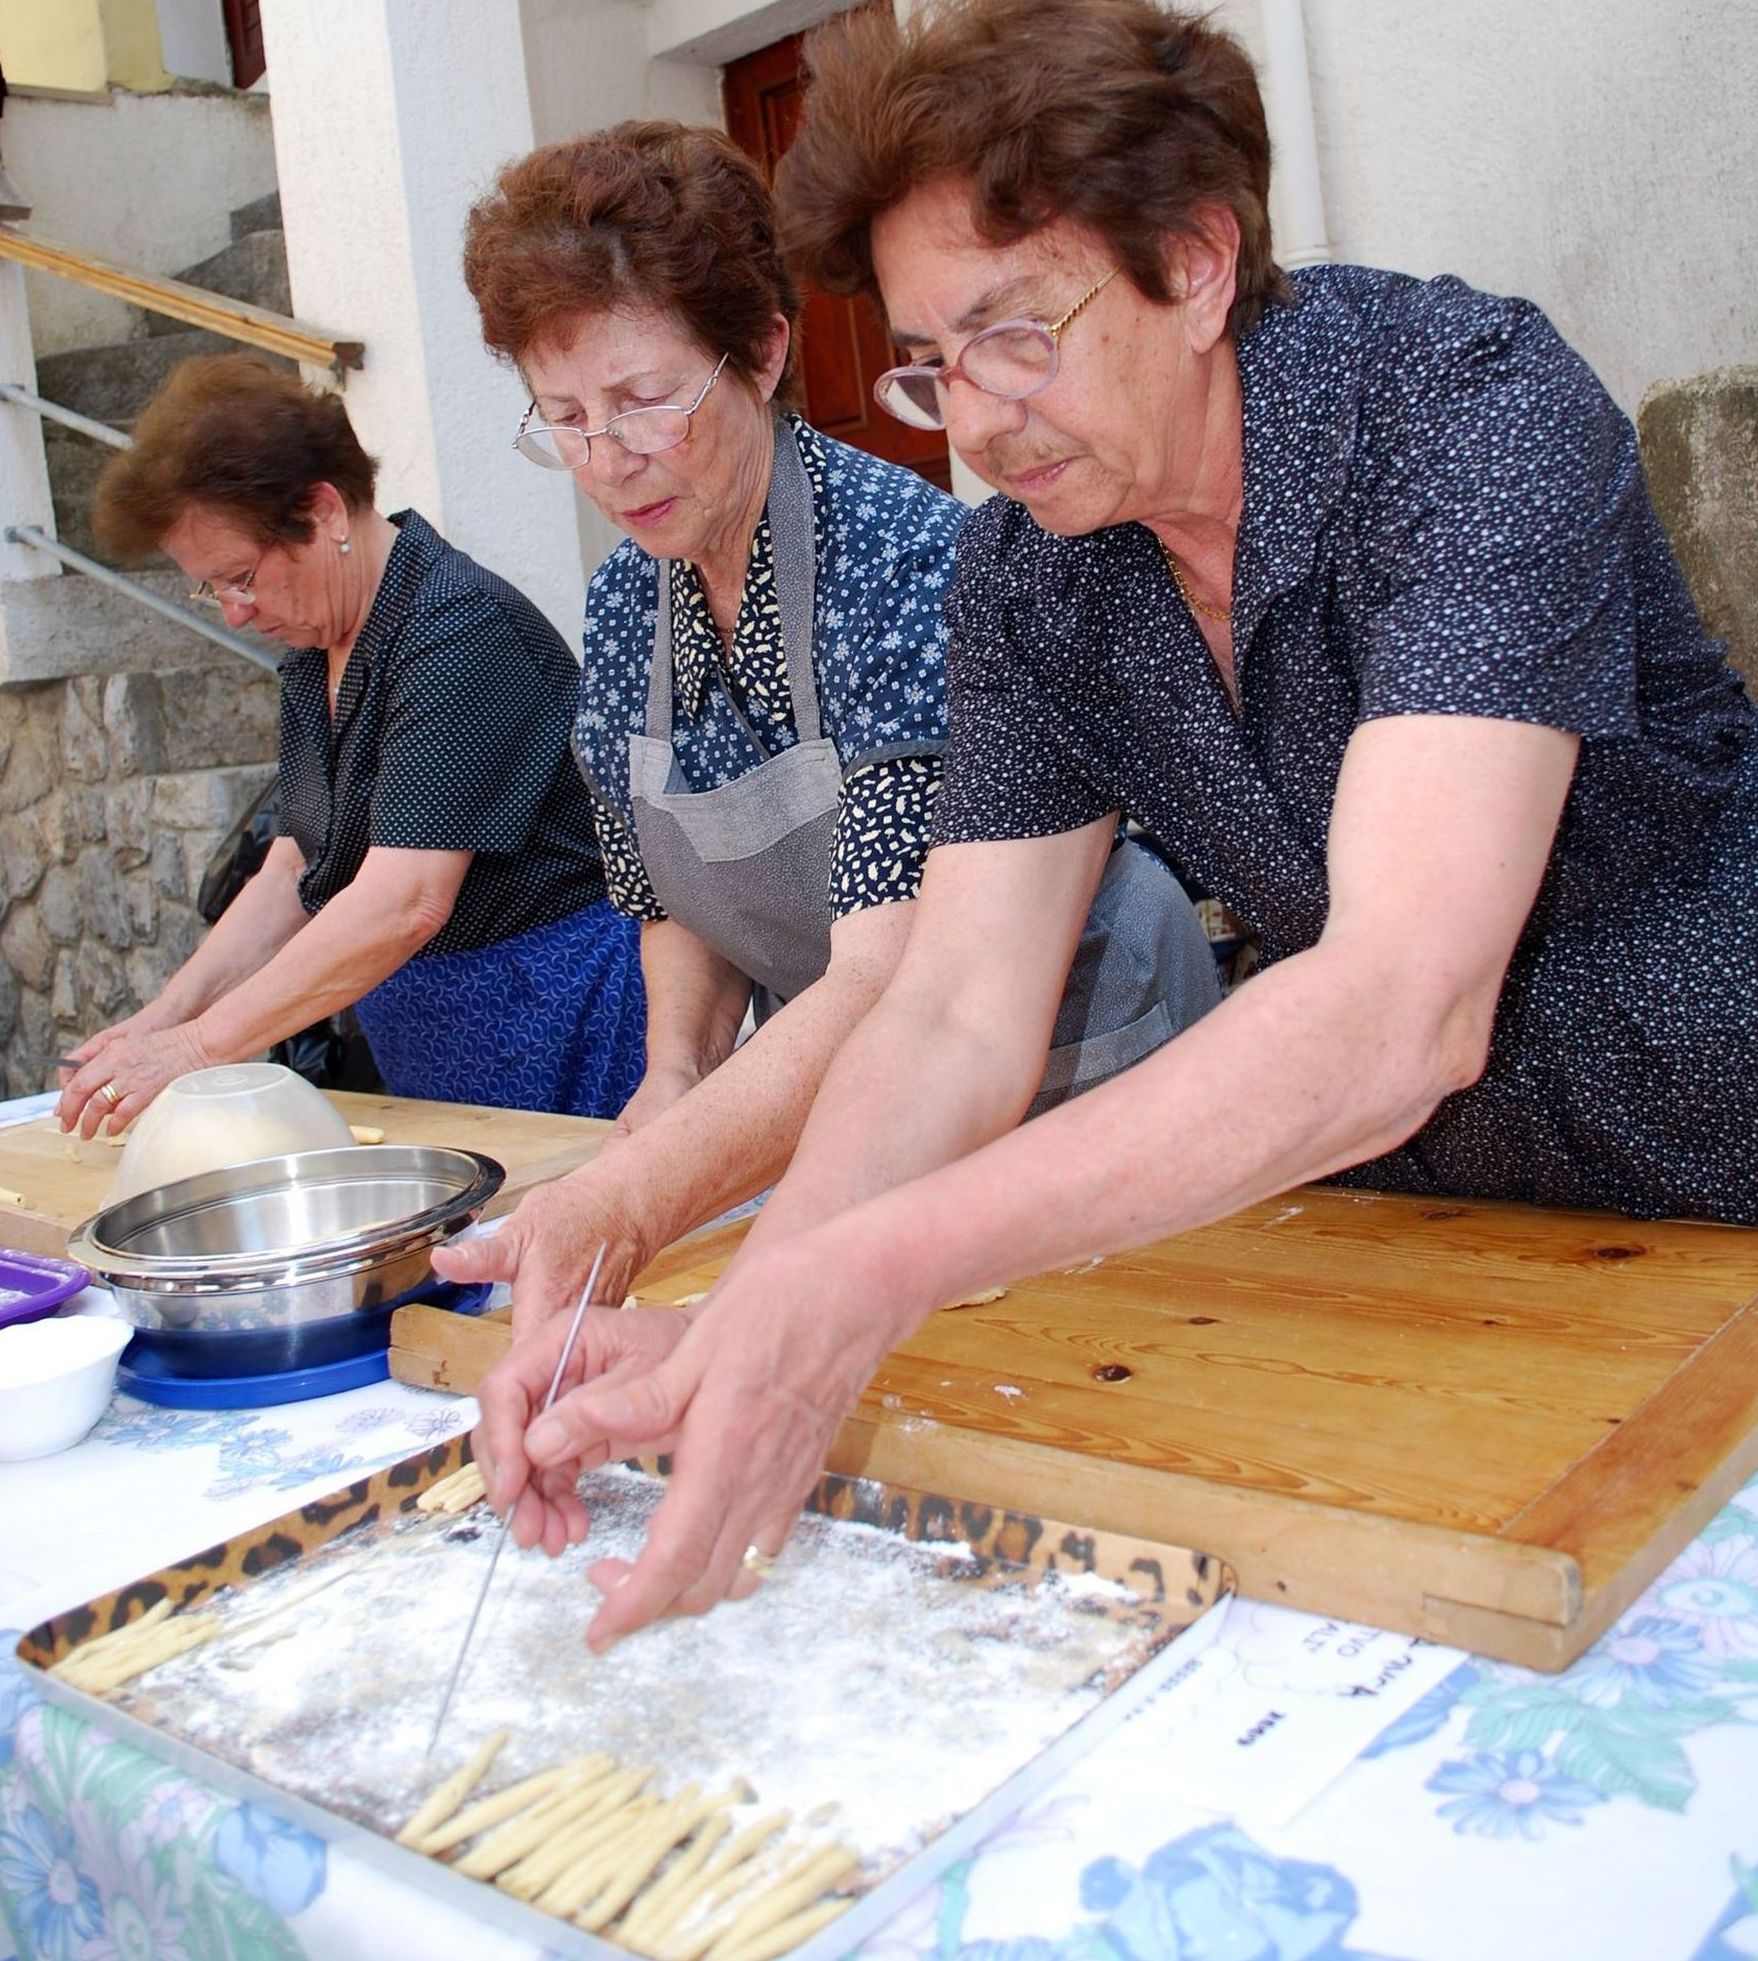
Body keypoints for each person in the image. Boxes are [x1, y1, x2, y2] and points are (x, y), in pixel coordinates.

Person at [471, 0, 1758, 1642]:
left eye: (1019, 334)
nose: (983, 422)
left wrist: (861, 1276)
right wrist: (754, 1301)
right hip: (1424, 1222)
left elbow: (1398, 1002)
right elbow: (946, 1008)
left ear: (1196, 261)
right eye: (936, 367)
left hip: (1715, 1139)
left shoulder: (1461, 409)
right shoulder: (1032, 575)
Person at [431, 123, 1218, 1319]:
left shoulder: (899, 561)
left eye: (646, 400)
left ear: (759, 354)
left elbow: (891, 977)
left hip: (1081, 1064)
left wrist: (643, 1190)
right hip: (847, 1105)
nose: (610, 459)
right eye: (567, 416)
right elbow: (663, 894)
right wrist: (678, 1071)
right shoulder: (629, 600)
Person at [58, 354, 645, 1135]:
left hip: (556, 1018)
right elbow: (296, 864)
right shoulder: (314, 650)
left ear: (325, 511)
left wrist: (199, 1047)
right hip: (434, 1037)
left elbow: (404, 899)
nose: (234, 613)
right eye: (213, 589)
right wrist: (160, 1023)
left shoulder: (456, 628)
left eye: (239, 577)